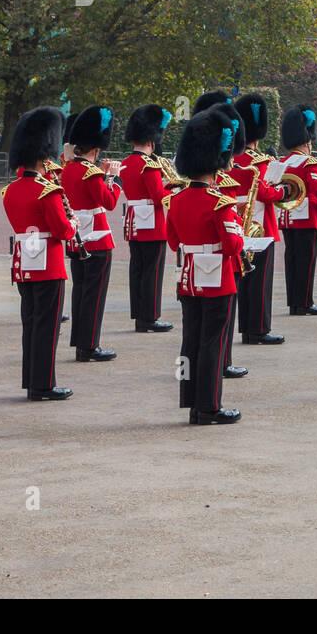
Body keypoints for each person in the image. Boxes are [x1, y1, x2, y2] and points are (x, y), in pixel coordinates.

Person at [167, 107, 244, 424]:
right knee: (213, 342)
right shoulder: (219, 201)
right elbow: (233, 245)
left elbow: (173, 241)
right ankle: (209, 406)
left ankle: (192, 400)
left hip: (188, 279)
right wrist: (237, 221)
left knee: (192, 340)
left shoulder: (176, 199)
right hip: (217, 279)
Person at [2, 107, 77, 401]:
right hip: (49, 264)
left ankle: (32, 381)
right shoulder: (48, 191)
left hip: (24, 262)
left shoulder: (11, 190)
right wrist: (73, 223)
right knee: (47, 326)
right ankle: (44, 385)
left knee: (31, 324)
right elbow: (62, 231)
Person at [60, 106, 120, 364]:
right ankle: (89, 345)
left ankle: (81, 341)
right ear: (95, 149)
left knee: (81, 291)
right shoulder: (91, 172)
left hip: (76, 238)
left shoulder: (67, 169)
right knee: (94, 294)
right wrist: (113, 178)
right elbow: (109, 202)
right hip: (96, 239)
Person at [232, 93, 286, 344]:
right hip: (260, 225)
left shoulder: (230, 159)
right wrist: (282, 191)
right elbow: (265, 191)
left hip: (235, 221)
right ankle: (258, 330)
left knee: (244, 278)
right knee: (260, 281)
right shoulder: (259, 160)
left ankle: (246, 328)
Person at [120, 104, 175, 333]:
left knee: (138, 270)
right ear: (151, 141)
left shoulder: (126, 163)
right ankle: (149, 318)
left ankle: (139, 315)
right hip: (152, 224)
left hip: (134, 222)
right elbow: (158, 197)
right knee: (152, 272)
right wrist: (176, 191)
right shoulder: (149, 165)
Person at [278, 104, 317, 318]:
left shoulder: (283, 161)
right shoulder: (309, 163)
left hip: (288, 217)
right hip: (308, 218)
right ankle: (305, 302)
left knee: (291, 261)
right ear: (307, 138)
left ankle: (294, 302)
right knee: (306, 262)